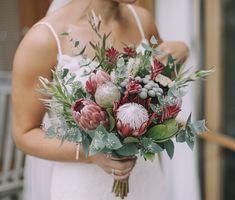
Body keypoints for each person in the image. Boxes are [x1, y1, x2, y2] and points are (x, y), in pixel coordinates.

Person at [12, 0, 189, 199]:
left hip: (145, 180)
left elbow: (156, 86)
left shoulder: (142, 20)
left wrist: (180, 54)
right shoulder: (43, 39)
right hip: (83, 186)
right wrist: (90, 153)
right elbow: (24, 134)